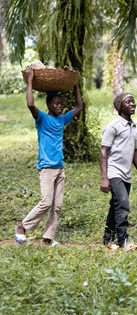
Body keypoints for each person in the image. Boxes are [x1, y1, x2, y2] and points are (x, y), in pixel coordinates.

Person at [15, 67, 83, 246]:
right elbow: (30, 105)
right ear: (49, 105)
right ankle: (22, 227)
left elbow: (79, 106)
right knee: (46, 202)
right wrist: (30, 81)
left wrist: (75, 85)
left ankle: (48, 237)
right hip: (46, 167)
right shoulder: (42, 119)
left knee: (57, 206)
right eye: (56, 103)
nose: (60, 106)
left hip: (60, 167)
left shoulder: (62, 120)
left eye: (61, 103)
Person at [99, 92, 137, 252]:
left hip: (126, 174)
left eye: (133, 102)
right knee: (122, 204)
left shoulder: (134, 128)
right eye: (128, 102)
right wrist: (104, 178)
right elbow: (103, 152)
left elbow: (134, 152)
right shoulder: (113, 126)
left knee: (115, 206)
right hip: (114, 172)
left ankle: (108, 239)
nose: (133, 104)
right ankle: (123, 241)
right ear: (120, 106)